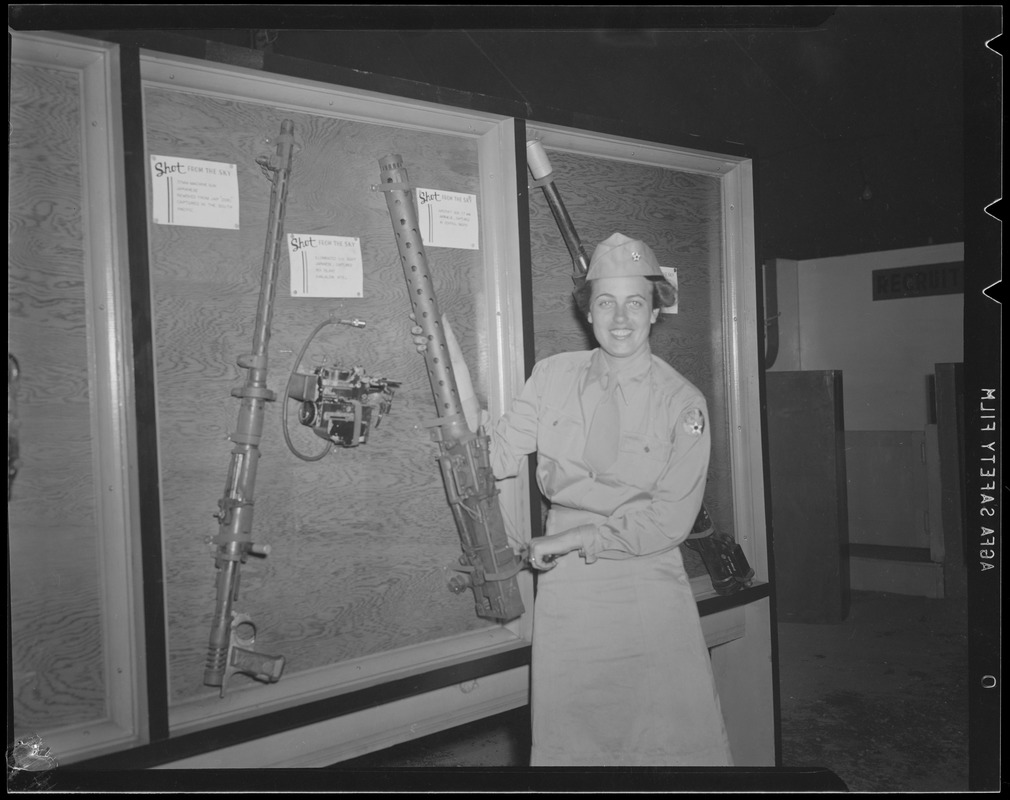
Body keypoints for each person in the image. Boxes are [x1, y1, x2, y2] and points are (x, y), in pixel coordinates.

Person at [416, 232, 732, 766]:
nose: (621, 319)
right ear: (589, 313)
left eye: (636, 303)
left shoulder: (684, 403)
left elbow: (669, 521)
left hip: (646, 579)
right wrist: (454, 373)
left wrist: (578, 537)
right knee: (574, 744)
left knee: (666, 742)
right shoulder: (553, 376)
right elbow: (493, 458)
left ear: (656, 311)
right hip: (569, 590)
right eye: (606, 303)